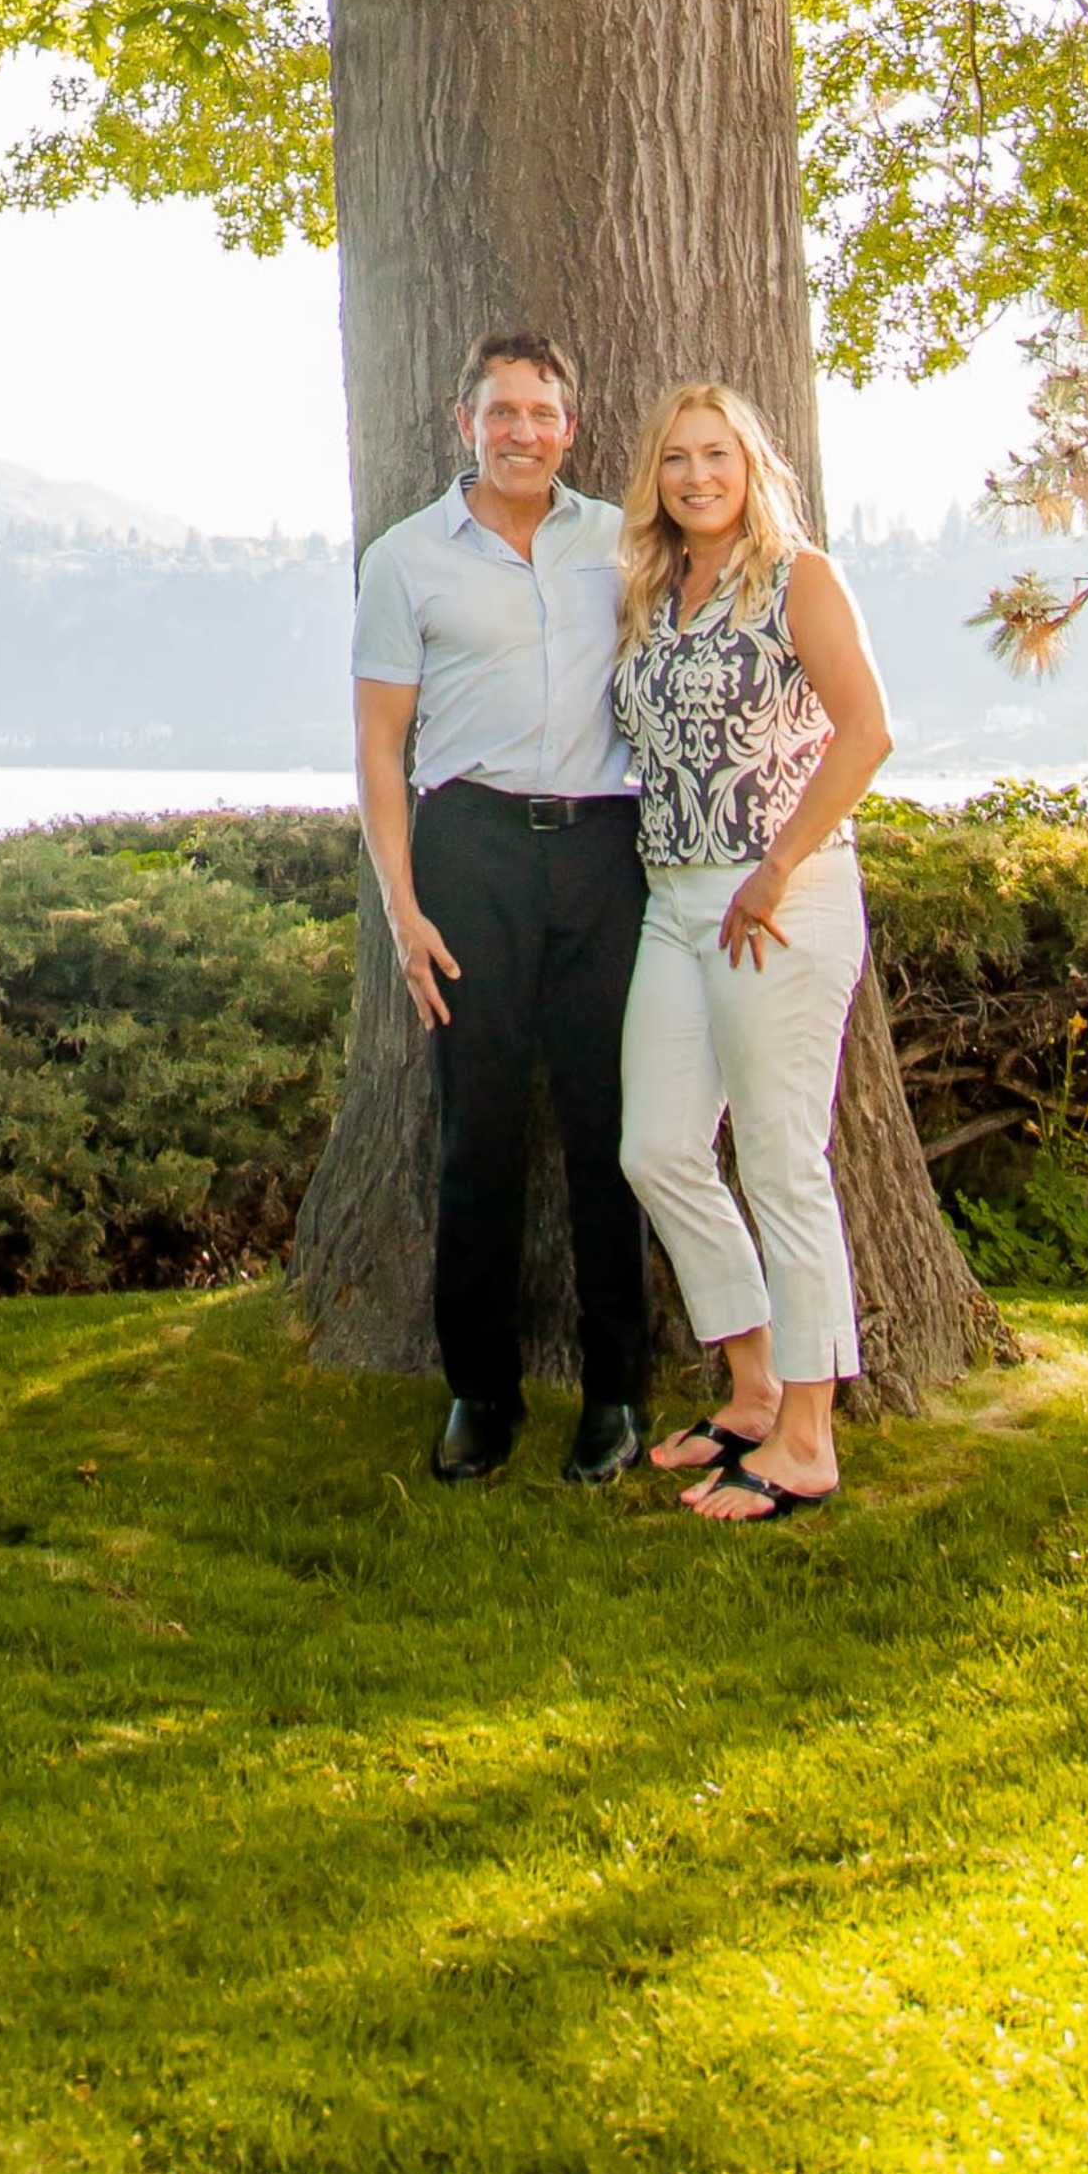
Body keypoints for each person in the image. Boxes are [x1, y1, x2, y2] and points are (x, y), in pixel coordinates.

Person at [349, 329, 652, 1486]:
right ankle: (480, 1391)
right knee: (476, 1133)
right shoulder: (406, 559)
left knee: (606, 1129)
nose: (523, 431)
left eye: (543, 412)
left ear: (571, 426)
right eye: (502, 412)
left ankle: (617, 1394)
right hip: (468, 847)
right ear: (462, 421)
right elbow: (380, 748)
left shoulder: (622, 540)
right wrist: (403, 904)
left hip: (602, 852)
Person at [606, 380, 893, 1528]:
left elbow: (867, 730)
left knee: (780, 1157)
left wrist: (777, 865)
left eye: (715, 454)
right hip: (672, 901)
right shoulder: (651, 588)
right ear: (656, 476)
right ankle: (753, 1381)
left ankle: (810, 1437)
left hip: (778, 897)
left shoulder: (798, 578)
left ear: (750, 463)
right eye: (676, 458)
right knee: (658, 1146)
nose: (696, 476)